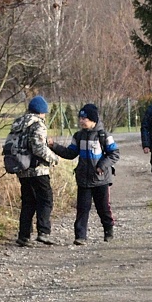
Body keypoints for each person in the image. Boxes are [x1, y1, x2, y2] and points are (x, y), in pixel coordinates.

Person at [51, 104, 120, 245]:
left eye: (85, 118)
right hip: (83, 179)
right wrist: (54, 146)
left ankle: (108, 230)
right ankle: (80, 236)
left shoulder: (104, 136)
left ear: (93, 120)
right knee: (82, 209)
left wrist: (102, 165)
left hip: (101, 179)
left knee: (103, 208)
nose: (81, 121)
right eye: (80, 118)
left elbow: (114, 154)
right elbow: (70, 153)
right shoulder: (78, 136)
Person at [10, 96, 59, 246]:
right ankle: (43, 232)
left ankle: (23, 236)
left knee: (28, 202)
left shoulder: (18, 123)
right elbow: (39, 148)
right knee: (46, 199)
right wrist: (54, 158)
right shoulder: (38, 125)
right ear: (41, 111)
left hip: (22, 168)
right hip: (38, 170)